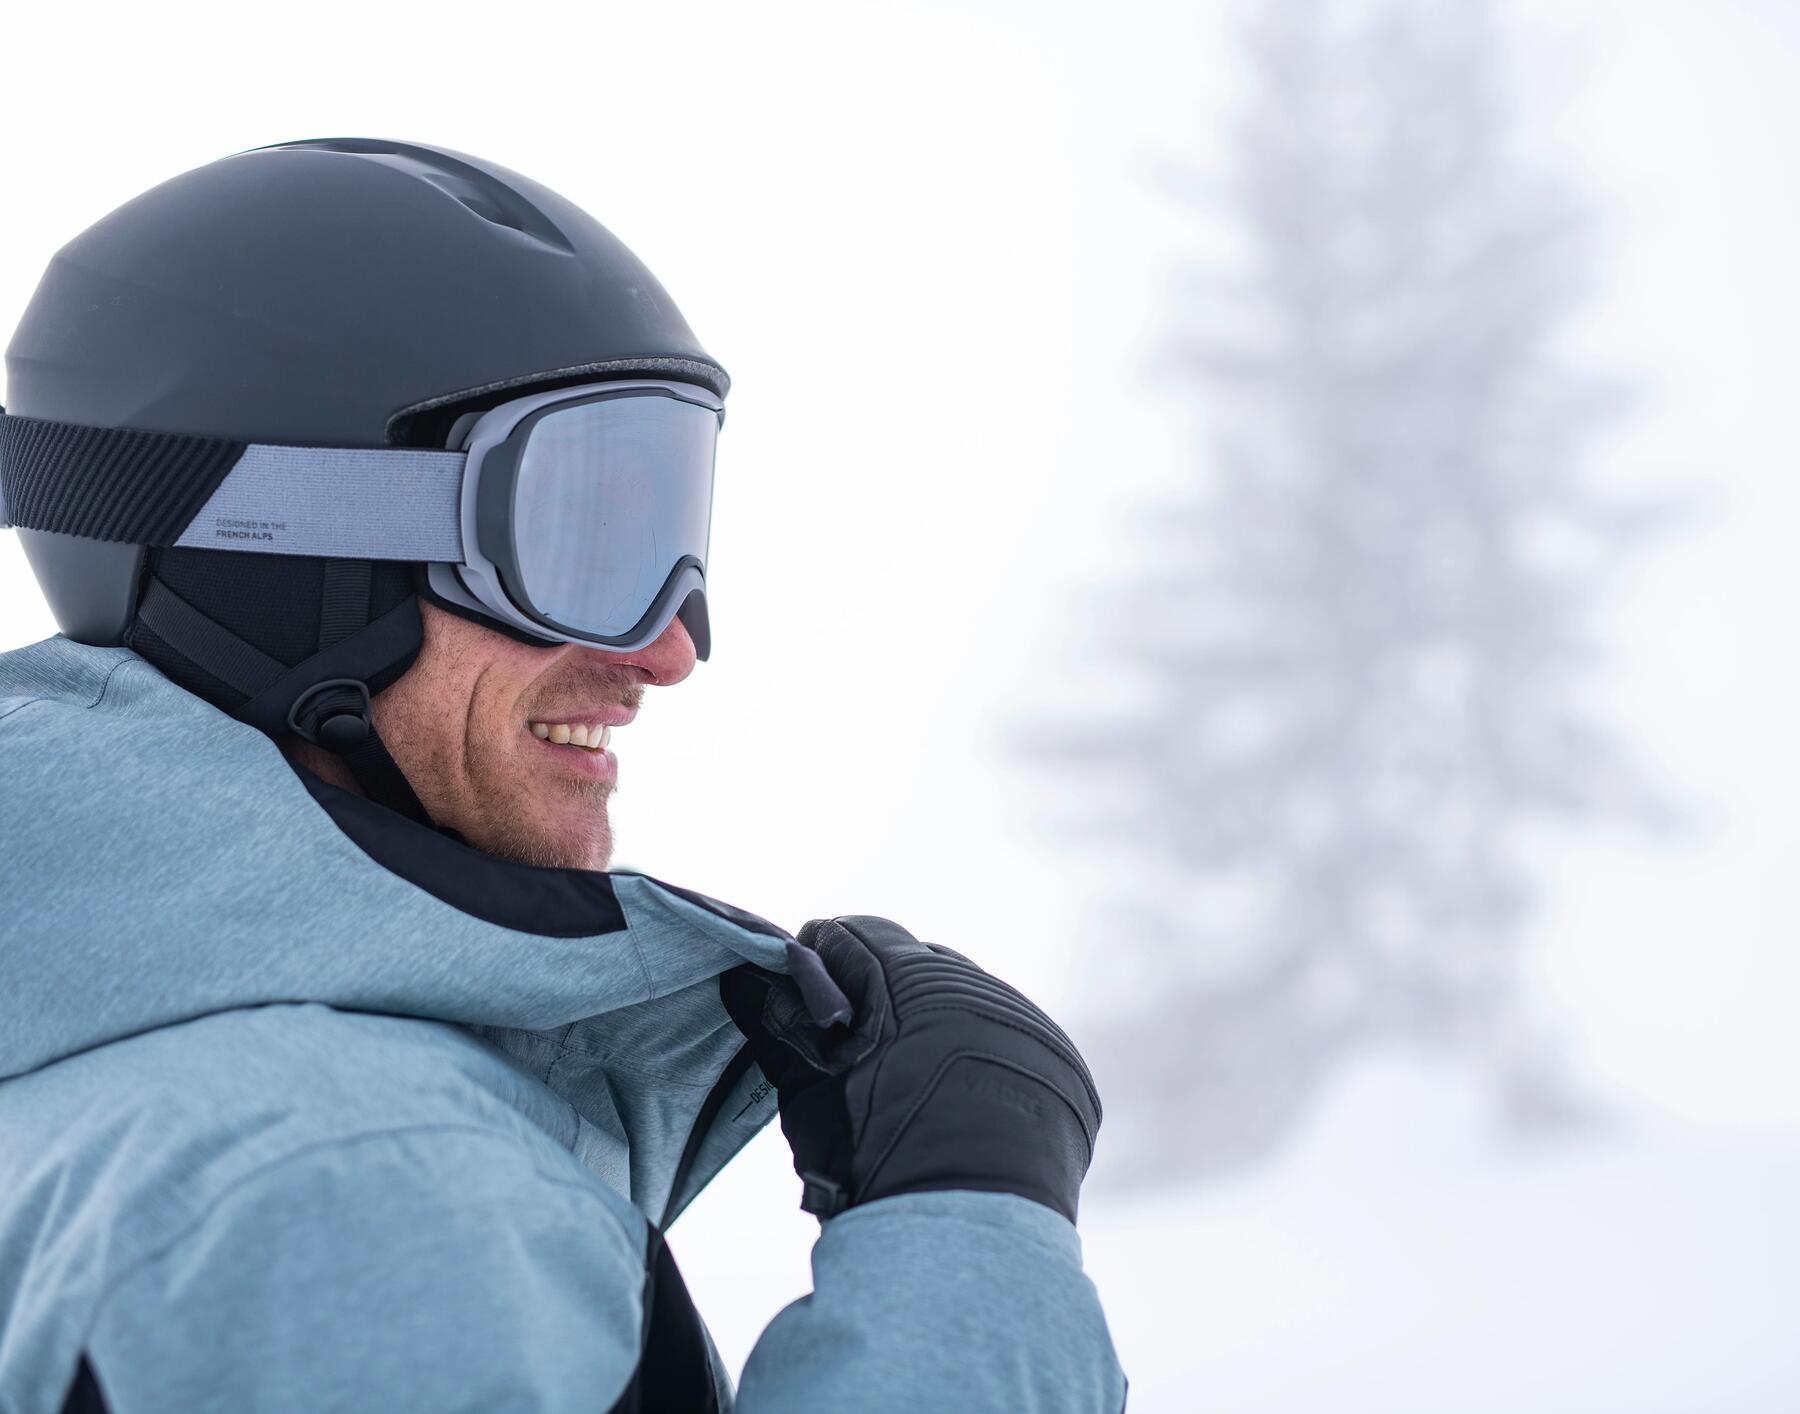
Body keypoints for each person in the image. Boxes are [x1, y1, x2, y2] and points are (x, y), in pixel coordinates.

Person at [0, 139, 1125, 1413]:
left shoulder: (81, 1064)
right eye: (579, 536)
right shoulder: (362, 1186)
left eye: (673, 536)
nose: (669, 646)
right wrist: (969, 1225)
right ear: (285, 566)